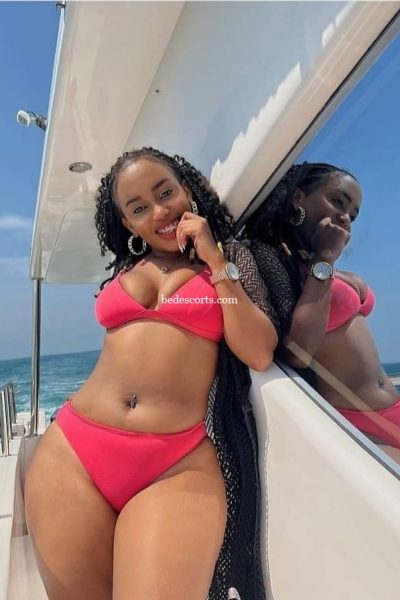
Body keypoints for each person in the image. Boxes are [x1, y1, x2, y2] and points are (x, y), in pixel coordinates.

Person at [25, 147, 278, 600]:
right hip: (74, 452)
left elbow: (258, 352)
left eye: (165, 193)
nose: (160, 212)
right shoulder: (128, 269)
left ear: (187, 189)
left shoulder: (228, 262)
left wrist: (215, 261)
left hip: (174, 462)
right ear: (128, 224)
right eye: (139, 208)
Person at [245, 162, 400, 462]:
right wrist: (326, 255)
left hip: (391, 406)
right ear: (297, 199)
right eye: (338, 201)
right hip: (364, 424)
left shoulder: (318, 269)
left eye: (353, 214)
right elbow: (298, 353)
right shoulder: (282, 269)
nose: (345, 217)